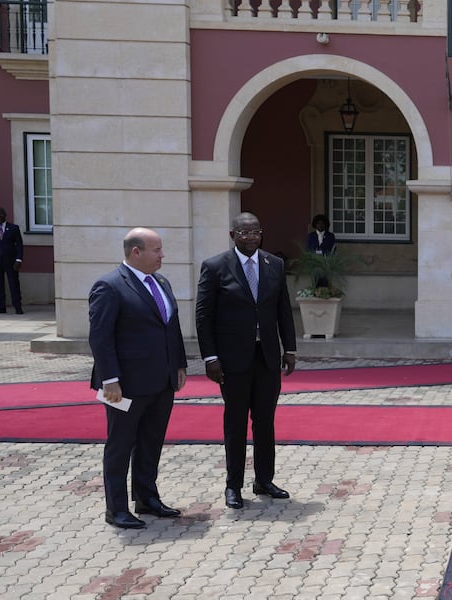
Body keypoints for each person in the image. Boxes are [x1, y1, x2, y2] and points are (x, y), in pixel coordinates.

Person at [196, 212, 298, 509]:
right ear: (233, 235)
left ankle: (264, 480)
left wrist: (289, 348)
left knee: (265, 421)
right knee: (236, 423)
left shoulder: (274, 264)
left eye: (255, 232)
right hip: (232, 360)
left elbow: (283, 310)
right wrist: (210, 357)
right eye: (244, 232)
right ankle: (233, 485)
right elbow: (204, 316)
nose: (250, 237)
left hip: (266, 357)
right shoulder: (215, 267)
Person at [87, 228, 187, 529]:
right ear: (136, 252)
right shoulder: (110, 286)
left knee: (151, 442)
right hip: (125, 384)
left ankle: (147, 498)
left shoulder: (162, 282)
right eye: (156, 250)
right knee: (120, 445)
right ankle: (116, 509)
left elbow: (171, 327)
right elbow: (100, 338)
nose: (162, 255)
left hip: (162, 380)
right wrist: (110, 380)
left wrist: (179, 364)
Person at [0, 207, 24, 315]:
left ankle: (17, 306)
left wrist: (19, 259)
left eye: (1, 214)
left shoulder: (14, 228)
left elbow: (19, 245)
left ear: (5, 215)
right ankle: (0, 307)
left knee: (14, 284)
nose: (0, 216)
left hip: (11, 261)